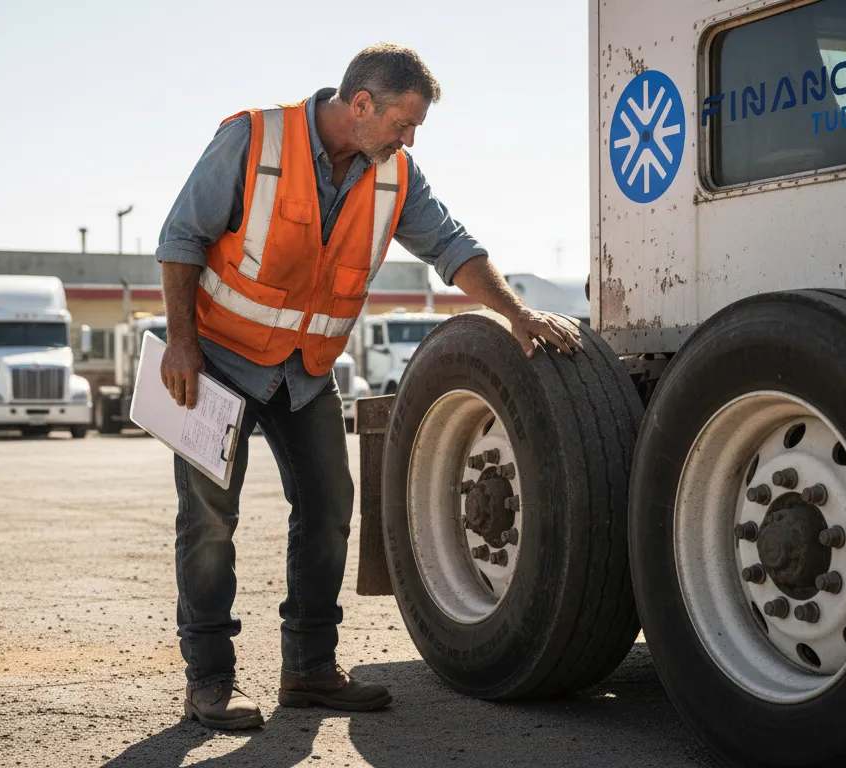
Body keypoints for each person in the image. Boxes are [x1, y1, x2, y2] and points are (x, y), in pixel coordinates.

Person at [155, 42, 582, 730]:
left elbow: (454, 247)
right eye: (402, 124)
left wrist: (515, 312)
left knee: (329, 509)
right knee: (209, 523)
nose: (409, 139)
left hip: (304, 372)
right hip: (218, 361)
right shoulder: (253, 139)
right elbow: (180, 238)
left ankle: (309, 670)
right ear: (360, 104)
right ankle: (209, 681)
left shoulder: (394, 175)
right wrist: (180, 343)